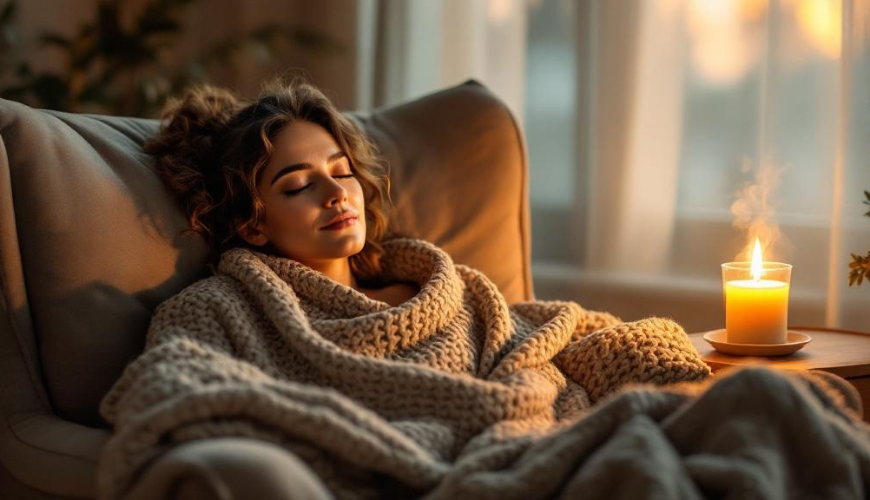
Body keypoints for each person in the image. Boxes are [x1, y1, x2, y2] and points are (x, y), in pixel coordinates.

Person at [145, 75, 418, 307]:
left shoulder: (433, 290)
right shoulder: (216, 310)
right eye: (300, 186)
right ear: (253, 227)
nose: (337, 192)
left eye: (342, 172)